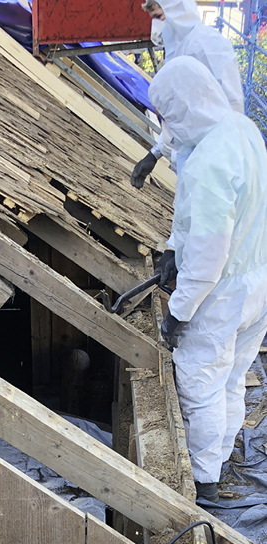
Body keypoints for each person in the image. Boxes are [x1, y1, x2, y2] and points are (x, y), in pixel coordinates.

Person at [147, 57, 267, 504]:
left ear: (183, 107)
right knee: (234, 378)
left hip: (224, 291)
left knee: (200, 384)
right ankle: (218, 460)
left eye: (168, 116)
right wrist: (172, 248)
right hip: (258, 279)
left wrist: (179, 313)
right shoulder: (240, 129)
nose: (167, 126)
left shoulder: (209, 163)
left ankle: (203, 482)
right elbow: (193, 214)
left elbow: (209, 254)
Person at [131, 0, 244, 190]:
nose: (157, 27)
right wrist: (156, 153)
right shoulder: (179, 50)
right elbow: (180, 114)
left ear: (176, 9)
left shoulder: (208, 44)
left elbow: (232, 105)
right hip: (193, 160)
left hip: (214, 161)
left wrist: (225, 160)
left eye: (159, 17)